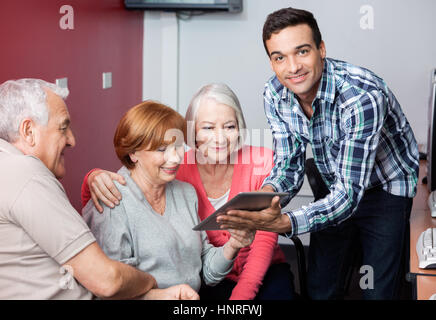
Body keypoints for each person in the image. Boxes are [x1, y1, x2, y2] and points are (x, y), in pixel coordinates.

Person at [217, 7, 420, 300]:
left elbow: (350, 194)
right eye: (279, 57)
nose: (293, 67)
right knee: (319, 288)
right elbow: (288, 164)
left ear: (321, 49)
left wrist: (287, 223)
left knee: (377, 292)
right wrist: (266, 197)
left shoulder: (361, 96)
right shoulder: (274, 94)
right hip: (335, 181)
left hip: (386, 186)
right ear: (271, 62)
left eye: (301, 51)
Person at [81, 83, 296, 300]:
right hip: (195, 285)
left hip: (226, 276)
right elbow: (117, 196)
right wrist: (93, 177)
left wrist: (235, 256)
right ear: (193, 131)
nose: (220, 138)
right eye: (209, 128)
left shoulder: (186, 187)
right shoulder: (175, 171)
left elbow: (259, 241)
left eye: (229, 126)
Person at [0, 78, 199, 300]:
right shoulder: (26, 175)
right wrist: (152, 282)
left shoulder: (9, 167)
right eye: (63, 128)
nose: (72, 140)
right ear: (28, 131)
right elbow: (107, 281)